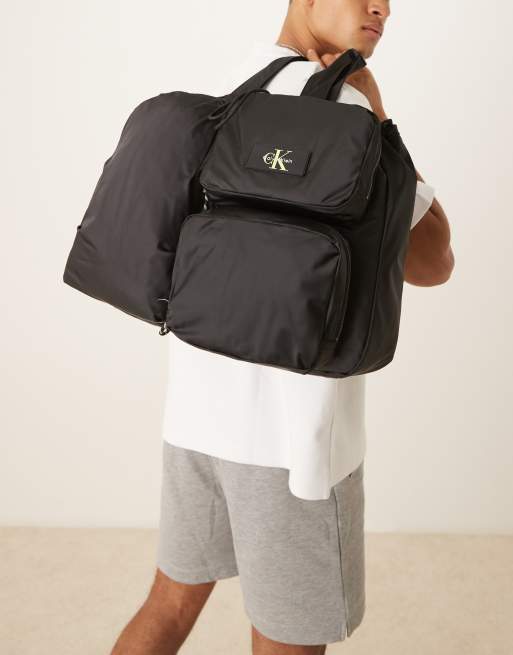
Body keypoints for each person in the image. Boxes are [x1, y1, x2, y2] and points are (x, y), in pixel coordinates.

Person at [110, 1, 455, 653]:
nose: (382, 7)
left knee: (168, 605)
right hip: (293, 441)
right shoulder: (346, 108)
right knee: (288, 639)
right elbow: (434, 261)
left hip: (196, 419)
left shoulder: (232, 87)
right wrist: (380, 119)